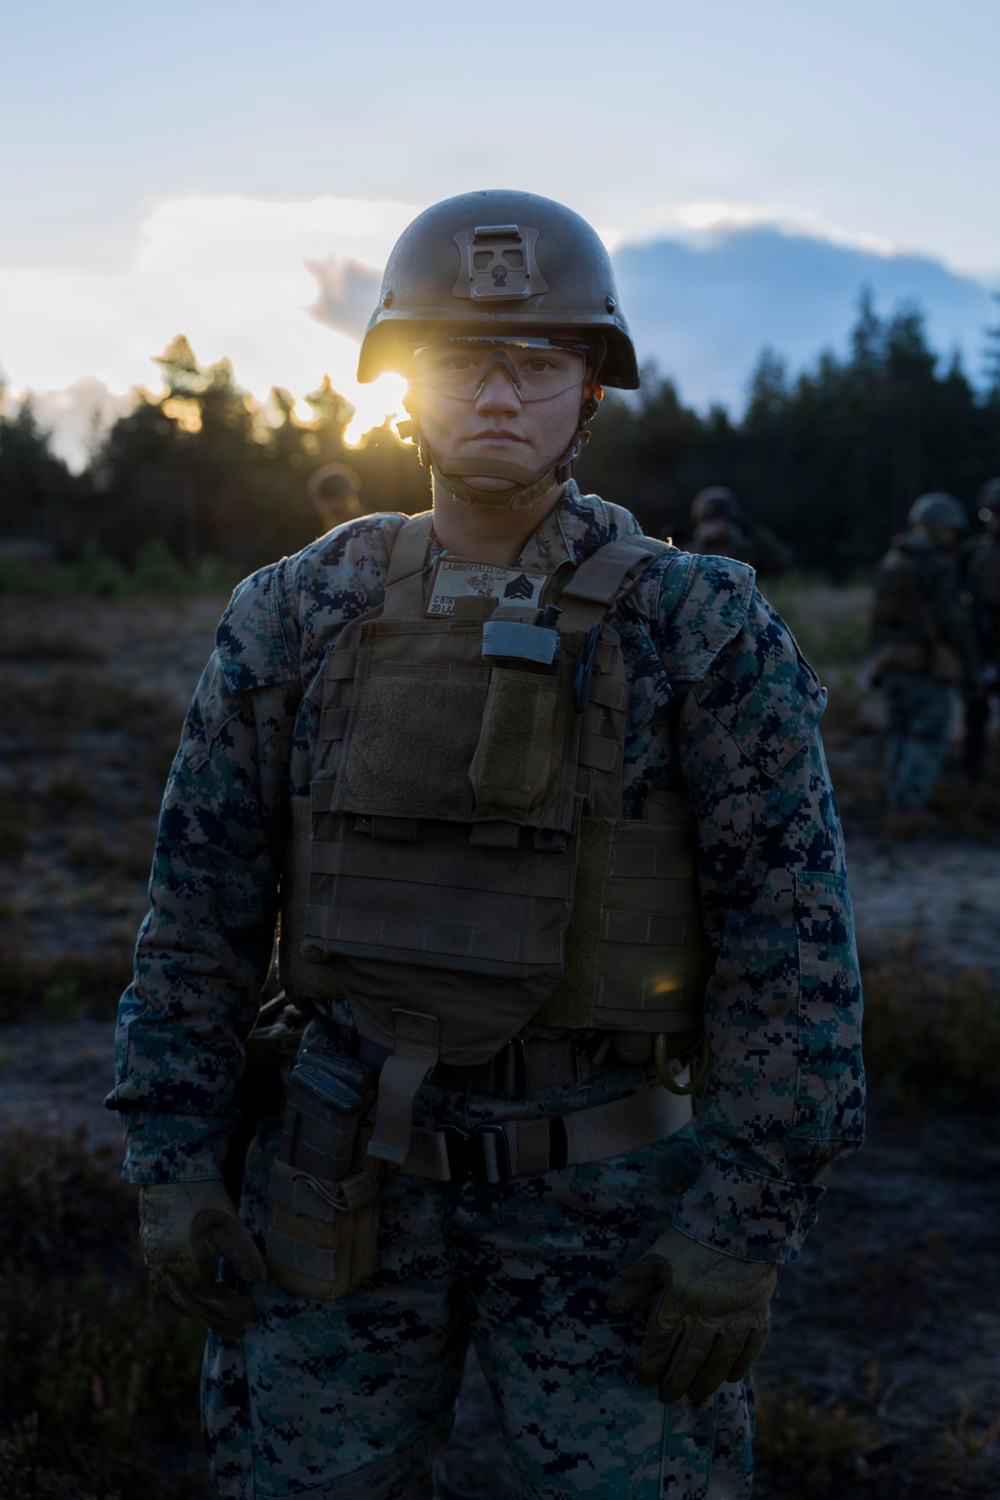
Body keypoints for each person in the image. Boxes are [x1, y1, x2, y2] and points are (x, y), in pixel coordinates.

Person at [108, 190, 865, 1500]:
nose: (499, 394)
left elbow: (792, 957)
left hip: (610, 1200)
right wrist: (174, 1164)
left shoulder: (701, 627)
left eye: (538, 361)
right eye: (462, 359)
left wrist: (742, 1226)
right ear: (406, 385)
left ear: (592, 393)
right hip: (335, 1182)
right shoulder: (297, 611)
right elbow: (199, 914)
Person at [871, 491, 977, 812]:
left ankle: (893, 806)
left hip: (892, 661)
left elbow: (877, 616)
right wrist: (972, 664)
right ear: (941, 528)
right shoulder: (938, 566)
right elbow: (952, 620)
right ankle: (908, 810)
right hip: (926, 665)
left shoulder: (892, 559)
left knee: (899, 735)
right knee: (928, 738)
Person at [958, 479, 1000, 781]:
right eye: (990, 513)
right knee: (975, 712)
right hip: (980, 642)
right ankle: (973, 777)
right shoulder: (973, 552)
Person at [687, 486, 794, 576]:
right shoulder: (694, 555)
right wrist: (702, 544)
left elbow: (781, 560)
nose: (716, 526)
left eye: (721, 519)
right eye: (711, 519)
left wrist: (750, 529)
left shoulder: (745, 550)